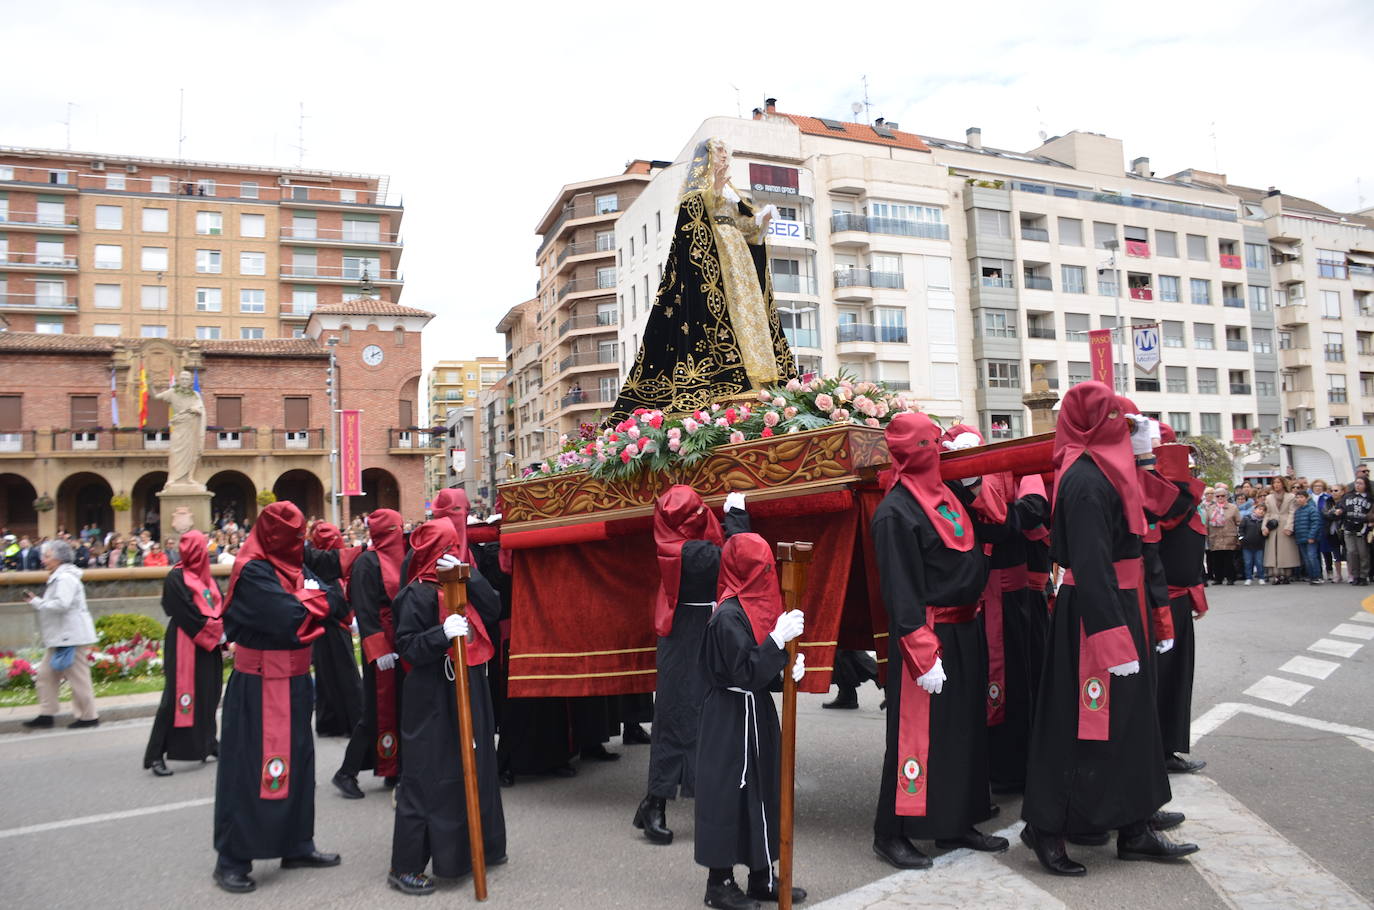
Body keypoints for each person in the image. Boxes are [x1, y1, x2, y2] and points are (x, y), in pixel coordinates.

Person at [1021, 383, 1197, 876]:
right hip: (1096, 617)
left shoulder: (1110, 471)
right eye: (1118, 419)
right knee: (1078, 728)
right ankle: (1046, 827)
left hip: (1123, 605)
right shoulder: (1084, 480)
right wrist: (1112, 637)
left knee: (1132, 722)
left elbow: (1155, 527)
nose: (1129, 428)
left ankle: (1134, 824)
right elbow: (1093, 566)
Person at [869, 412, 1008, 871]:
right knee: (917, 737)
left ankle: (956, 821)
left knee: (963, 731)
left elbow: (993, 527)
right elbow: (900, 589)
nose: (945, 450)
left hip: (966, 626)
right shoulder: (895, 512)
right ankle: (892, 832)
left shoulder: (947, 493)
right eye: (936, 443)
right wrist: (920, 651)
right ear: (919, 451)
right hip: (929, 635)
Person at [609, 136, 795, 421]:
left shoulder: (731, 192)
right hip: (716, 259)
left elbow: (747, 229)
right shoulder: (698, 193)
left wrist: (762, 220)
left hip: (739, 262)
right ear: (707, 159)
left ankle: (759, 381)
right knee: (727, 314)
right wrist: (715, 188)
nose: (724, 159)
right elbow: (693, 220)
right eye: (719, 154)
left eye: (725, 155)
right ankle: (730, 383)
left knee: (749, 316)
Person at [213, 501, 339, 894]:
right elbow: (288, 619)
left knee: (299, 764)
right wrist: (312, 601)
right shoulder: (252, 570)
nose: (298, 544)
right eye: (292, 537)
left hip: (297, 680)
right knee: (247, 770)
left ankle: (296, 844)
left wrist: (310, 600)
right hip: (258, 683)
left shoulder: (296, 565)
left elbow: (338, 600)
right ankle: (232, 859)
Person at [387, 520, 507, 895]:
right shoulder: (415, 595)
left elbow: (493, 606)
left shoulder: (462, 581)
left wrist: (468, 579)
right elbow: (406, 647)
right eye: (447, 548)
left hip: (470, 682)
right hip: (432, 693)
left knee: (476, 764)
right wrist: (441, 634)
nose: (454, 554)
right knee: (427, 774)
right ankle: (405, 865)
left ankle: (477, 846)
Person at [695, 533, 807, 910]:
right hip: (729, 716)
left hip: (755, 711)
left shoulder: (750, 609)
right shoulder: (727, 616)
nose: (767, 576)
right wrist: (776, 643)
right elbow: (743, 671)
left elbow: (759, 669)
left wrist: (786, 668)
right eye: (759, 570)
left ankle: (762, 874)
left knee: (763, 790)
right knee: (729, 796)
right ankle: (720, 883)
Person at [633, 485, 750, 846]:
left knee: (703, 715)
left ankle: (685, 800)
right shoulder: (689, 551)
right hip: (686, 636)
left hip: (697, 630)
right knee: (676, 716)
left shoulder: (673, 538)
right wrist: (737, 518)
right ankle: (655, 802)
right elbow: (738, 555)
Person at [333, 508, 407, 798]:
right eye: (395, 529)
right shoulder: (367, 563)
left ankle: (393, 767)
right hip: (381, 644)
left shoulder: (401, 557)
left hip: (401, 640)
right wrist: (379, 648)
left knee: (399, 706)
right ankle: (346, 772)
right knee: (376, 710)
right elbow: (364, 612)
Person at [143, 530, 225, 775]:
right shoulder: (176, 577)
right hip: (185, 642)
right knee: (174, 699)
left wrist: (224, 629)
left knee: (209, 693)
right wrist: (216, 633)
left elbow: (219, 604)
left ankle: (208, 742)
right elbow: (184, 612)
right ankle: (156, 755)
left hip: (208, 645)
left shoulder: (207, 578)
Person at [1153, 441, 1208, 775]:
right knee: (1164, 680)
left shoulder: (1179, 500)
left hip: (1177, 599)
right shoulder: (1172, 501)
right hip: (1163, 603)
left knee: (1175, 679)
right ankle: (1159, 750)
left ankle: (1167, 747)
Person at [21, 539, 99, 729]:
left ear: (58, 558)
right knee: (45, 676)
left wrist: (37, 602)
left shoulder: (65, 578)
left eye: (47, 556)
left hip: (70, 637)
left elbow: (62, 604)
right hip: (62, 637)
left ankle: (89, 717)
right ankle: (47, 714)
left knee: (78, 678)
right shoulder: (60, 576)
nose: (43, 560)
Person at [304, 522, 364, 738]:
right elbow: (338, 599)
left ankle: (329, 722)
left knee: (327, 676)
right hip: (335, 624)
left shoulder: (313, 561)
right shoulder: (327, 564)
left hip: (324, 625)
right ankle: (355, 722)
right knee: (345, 675)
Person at [1333, 478, 1374, 585]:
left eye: (1360, 483)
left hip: (1362, 528)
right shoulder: (1348, 496)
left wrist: (1371, 521)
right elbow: (1340, 507)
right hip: (1348, 527)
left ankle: (1363, 576)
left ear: (1366, 485)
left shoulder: (1370, 499)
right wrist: (1339, 511)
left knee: (1363, 553)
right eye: (1356, 483)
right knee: (1351, 553)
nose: (1358, 485)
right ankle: (1355, 575)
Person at [1263, 477, 1300, 584]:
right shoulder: (1269, 497)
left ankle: (1286, 575)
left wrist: (1289, 527)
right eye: (1274, 483)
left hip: (1285, 523)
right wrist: (1264, 527)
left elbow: (1292, 512)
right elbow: (1267, 513)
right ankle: (1275, 575)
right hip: (1273, 524)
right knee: (1273, 551)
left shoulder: (1291, 496)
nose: (1276, 485)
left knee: (1285, 551)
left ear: (1283, 484)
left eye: (1278, 482)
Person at [1204, 486, 1241, 585]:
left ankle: (1230, 578)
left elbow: (1239, 522)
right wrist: (1206, 536)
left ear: (1227, 496)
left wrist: (1238, 537)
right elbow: (1206, 524)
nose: (1220, 498)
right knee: (1216, 559)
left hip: (1229, 537)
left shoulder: (1233, 508)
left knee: (1229, 559)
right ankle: (1218, 578)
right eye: (1218, 496)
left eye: (1223, 496)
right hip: (1215, 537)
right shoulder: (1210, 509)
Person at [1292, 491, 1324, 585]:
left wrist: (1311, 536)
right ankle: (1311, 576)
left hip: (1310, 538)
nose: (1299, 499)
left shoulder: (1312, 509)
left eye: (1301, 497)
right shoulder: (1297, 511)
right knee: (1306, 559)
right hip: (1301, 538)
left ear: (1306, 498)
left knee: (1312, 557)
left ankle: (1317, 576)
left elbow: (1316, 523)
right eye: (1297, 498)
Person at [1239, 503, 1268, 585]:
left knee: (1259, 562)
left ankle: (1261, 577)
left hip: (1259, 545)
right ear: (1254, 510)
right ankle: (1248, 577)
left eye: (1263, 510)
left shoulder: (1264, 521)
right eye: (1259, 509)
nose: (1261, 511)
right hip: (1247, 545)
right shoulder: (1246, 519)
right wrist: (1241, 539)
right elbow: (1241, 529)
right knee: (1248, 562)